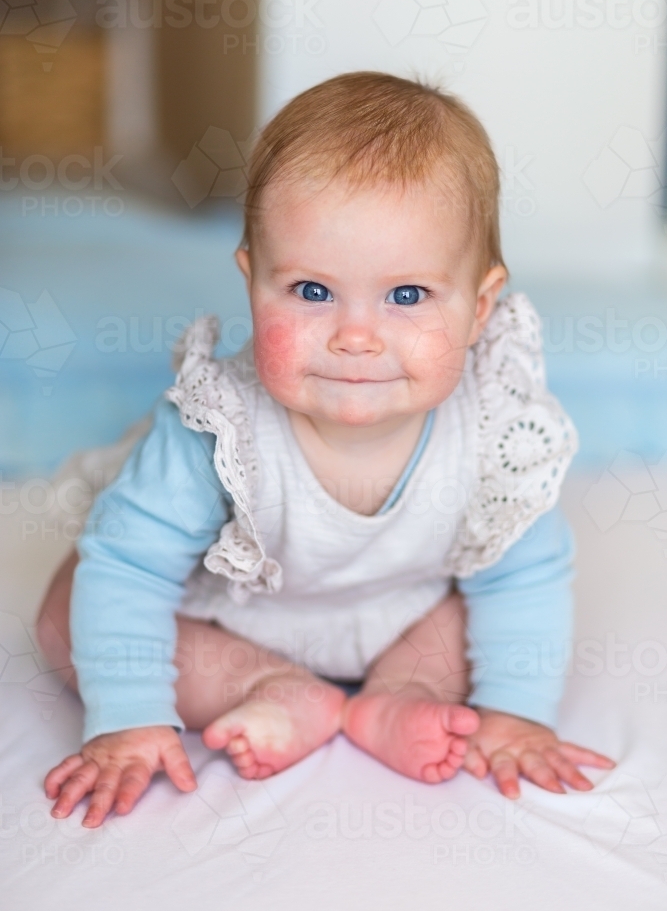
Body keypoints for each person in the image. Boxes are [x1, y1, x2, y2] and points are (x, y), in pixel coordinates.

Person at [36, 71, 615, 830]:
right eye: (311, 291)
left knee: (480, 611)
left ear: (479, 309)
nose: (356, 335)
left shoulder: (495, 429)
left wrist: (514, 711)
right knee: (66, 610)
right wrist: (129, 715)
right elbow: (130, 566)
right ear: (253, 283)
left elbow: (525, 576)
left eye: (406, 296)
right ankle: (271, 687)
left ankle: (399, 697)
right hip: (233, 625)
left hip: (407, 615)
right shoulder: (220, 429)